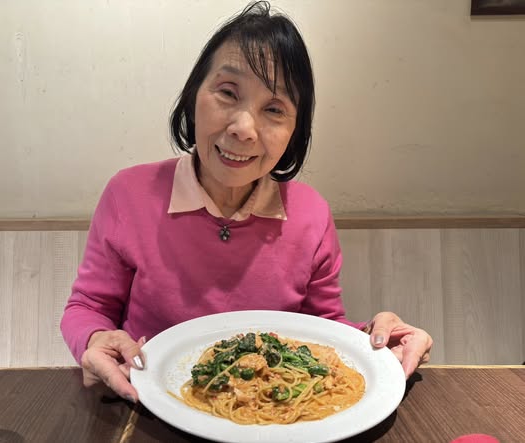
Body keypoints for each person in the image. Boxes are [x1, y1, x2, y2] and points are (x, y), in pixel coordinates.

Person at [60, 1, 432, 403]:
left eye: (273, 109)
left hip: (269, 416)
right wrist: (95, 338)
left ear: (295, 130)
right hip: (145, 404)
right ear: (193, 96)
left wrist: (378, 341)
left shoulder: (310, 214)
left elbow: (324, 331)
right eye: (227, 92)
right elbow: (89, 305)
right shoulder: (129, 194)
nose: (243, 128)